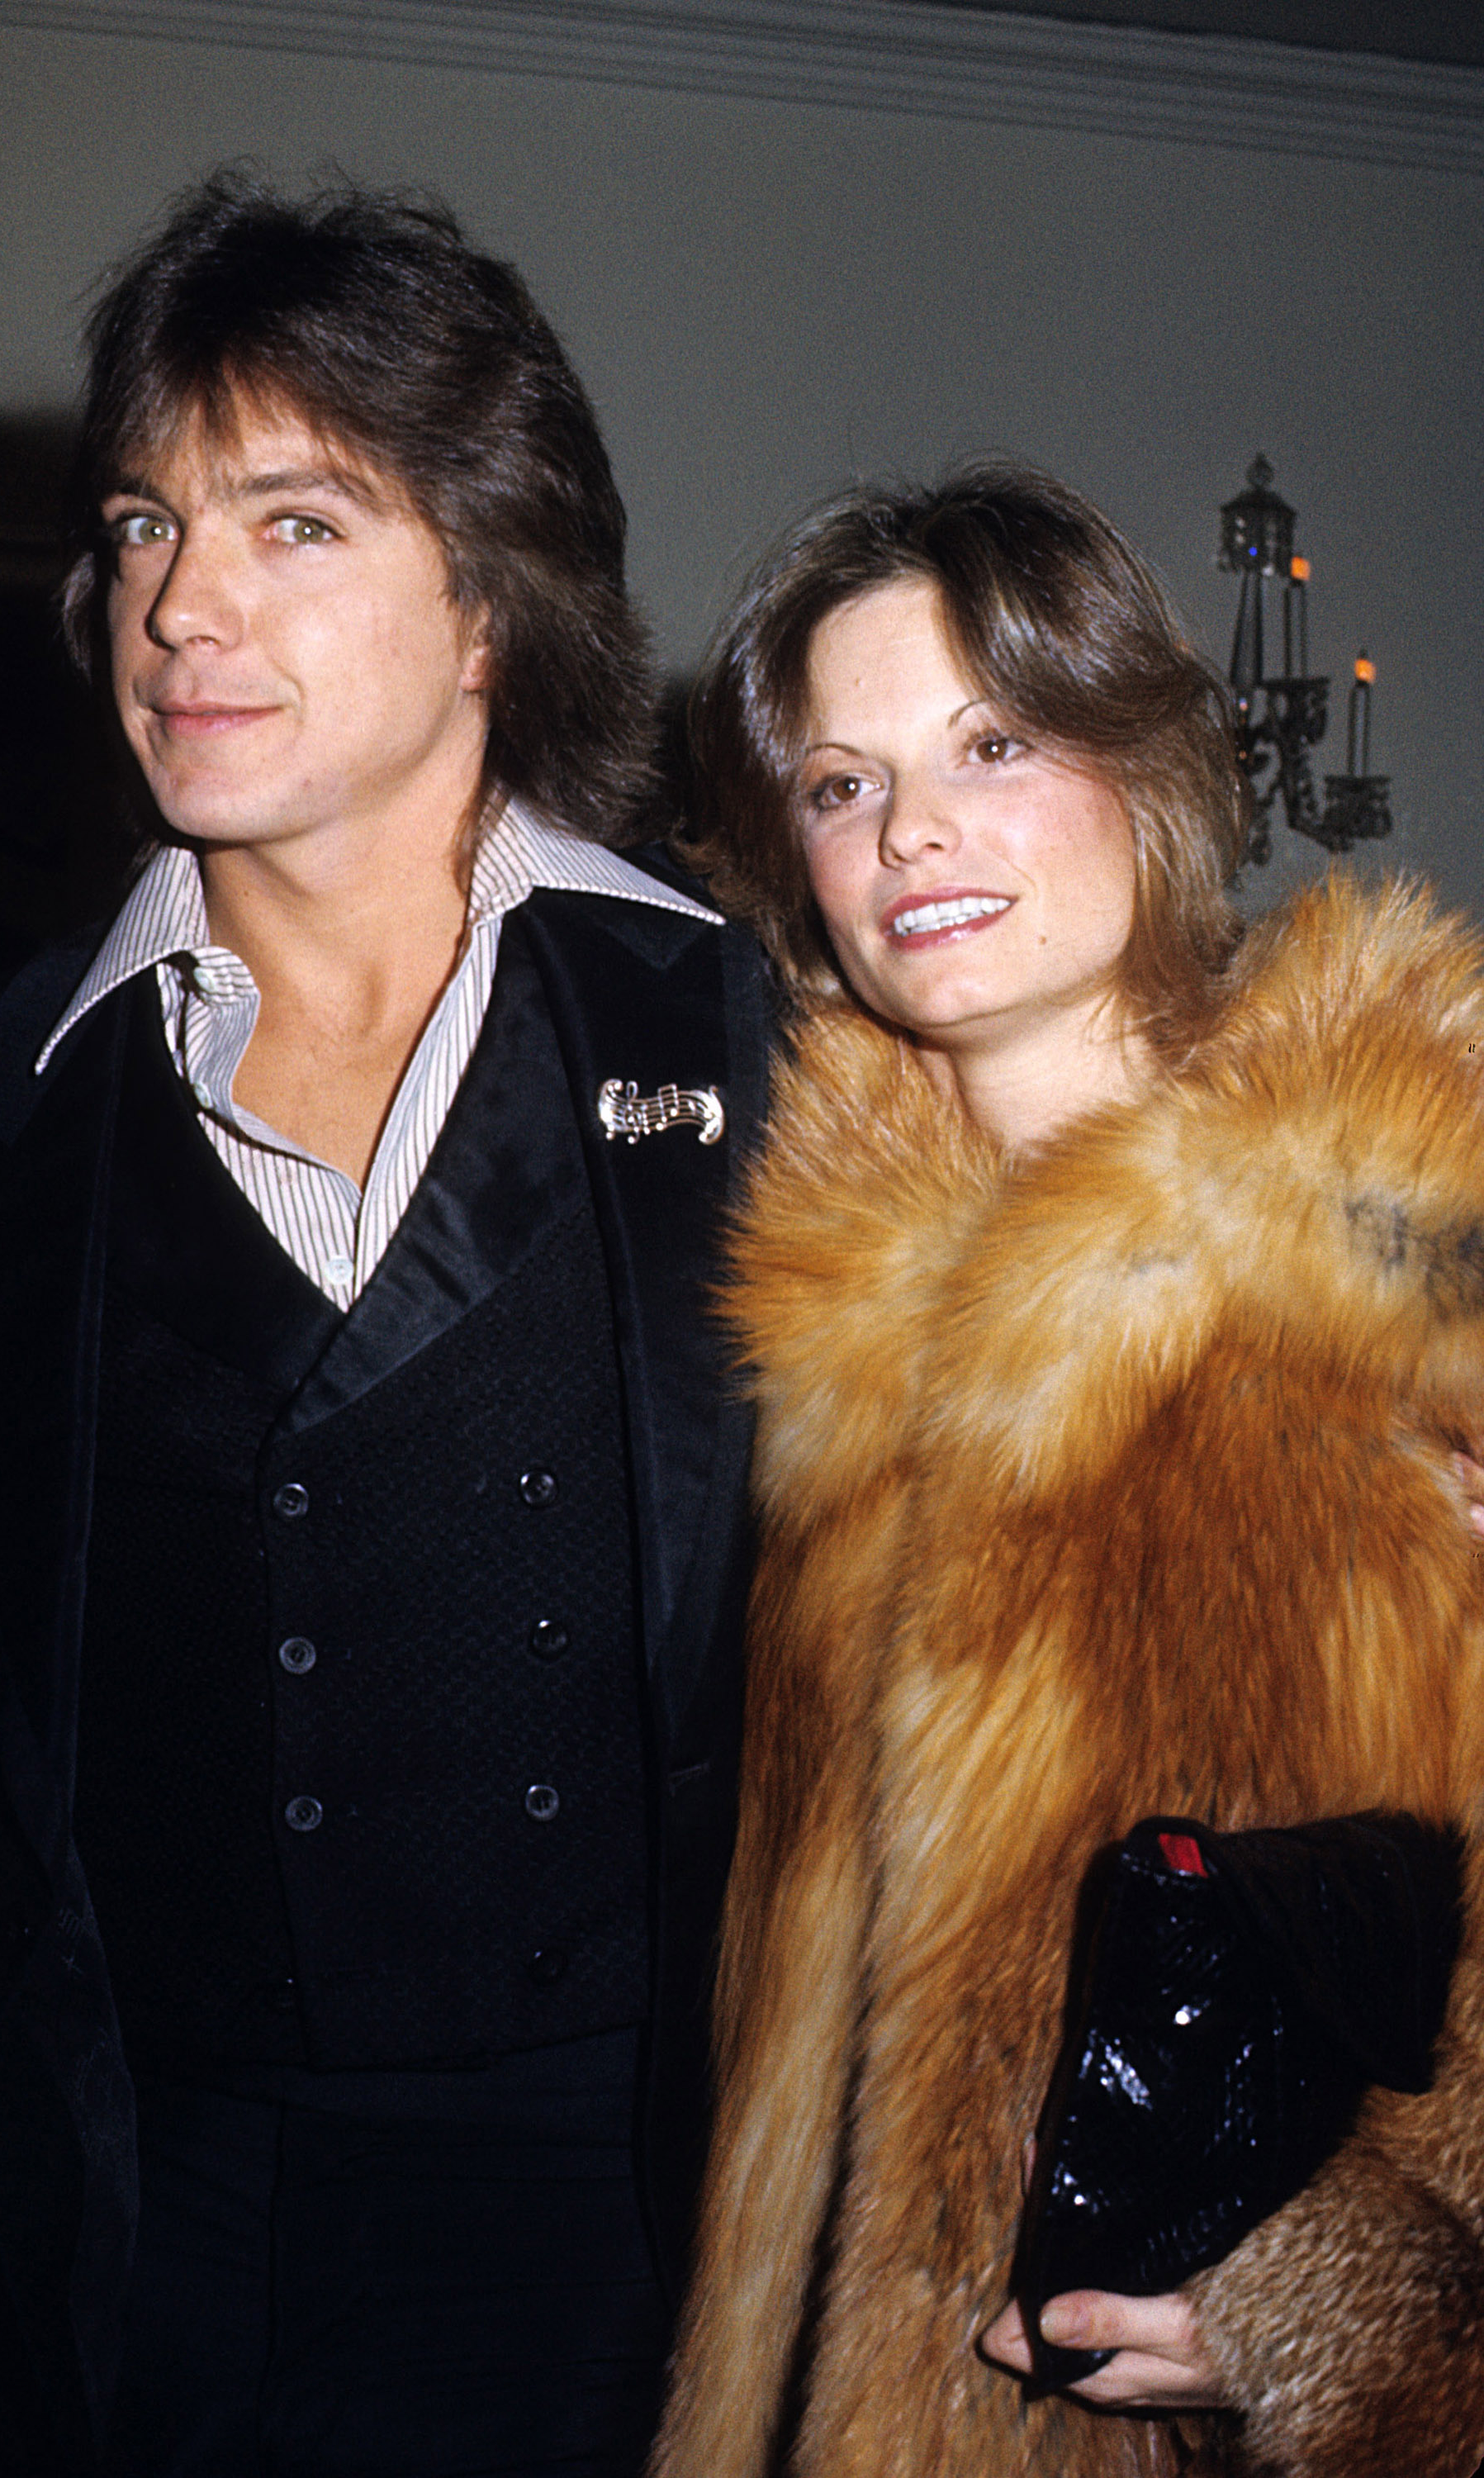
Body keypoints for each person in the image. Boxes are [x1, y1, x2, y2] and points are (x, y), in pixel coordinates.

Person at [0, 174, 771, 2476]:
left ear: (485, 602)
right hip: (142, 2200)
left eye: (294, 522)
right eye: (143, 525)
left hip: (639, 2205)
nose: (181, 604)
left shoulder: (760, 1036)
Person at [648, 466, 1484, 2478]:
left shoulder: (1397, 1234)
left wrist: (1355, 2295)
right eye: (839, 785)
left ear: (1145, 768)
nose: (909, 829)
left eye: (991, 744)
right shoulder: (802, 1315)